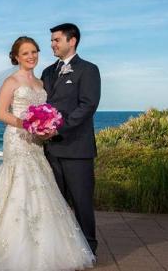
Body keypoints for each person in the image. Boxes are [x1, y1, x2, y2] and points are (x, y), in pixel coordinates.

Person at [0, 36, 95, 271]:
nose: (31, 56)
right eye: (25, 53)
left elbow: (46, 110)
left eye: (34, 51)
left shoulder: (41, 82)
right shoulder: (11, 81)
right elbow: (0, 113)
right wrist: (28, 125)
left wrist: (45, 128)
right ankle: (10, 248)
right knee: (17, 183)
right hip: (17, 138)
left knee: (40, 185)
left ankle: (40, 246)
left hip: (36, 142)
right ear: (16, 57)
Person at [41, 23, 101, 254]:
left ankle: (88, 249)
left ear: (72, 40)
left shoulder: (88, 70)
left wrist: (59, 129)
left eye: (56, 40)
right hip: (50, 150)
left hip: (77, 149)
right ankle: (59, 249)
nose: (52, 44)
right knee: (53, 202)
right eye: (52, 40)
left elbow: (88, 106)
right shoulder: (47, 72)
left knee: (81, 202)